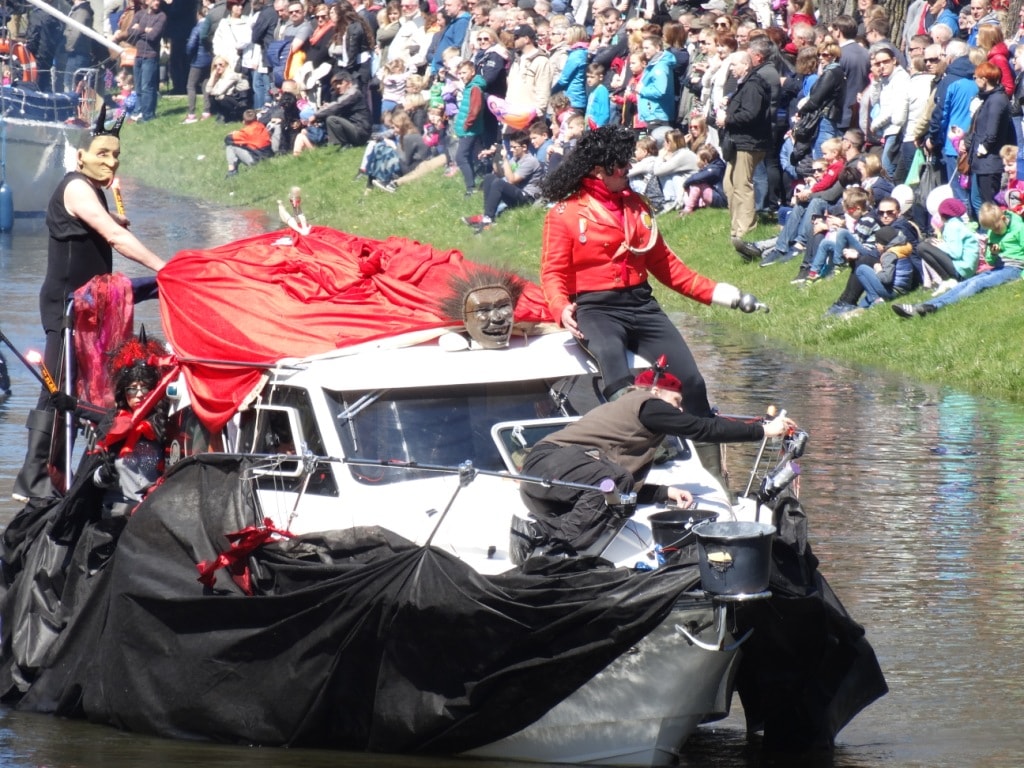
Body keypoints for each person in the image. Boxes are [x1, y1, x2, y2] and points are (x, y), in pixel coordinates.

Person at [538, 125, 765, 465]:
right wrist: (560, 306)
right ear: (600, 170)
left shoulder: (636, 206)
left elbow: (671, 269)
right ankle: (634, 456)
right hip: (596, 309)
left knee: (691, 381)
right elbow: (553, 273)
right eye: (621, 165)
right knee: (615, 372)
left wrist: (728, 296)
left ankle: (712, 470)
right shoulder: (565, 214)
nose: (627, 169)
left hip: (641, 304)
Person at [12, 109, 166, 503]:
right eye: (102, 154)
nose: (111, 162)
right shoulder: (78, 186)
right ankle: (34, 482)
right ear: (80, 157)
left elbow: (100, 225)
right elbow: (112, 236)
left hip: (94, 305)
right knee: (56, 388)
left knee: (84, 390)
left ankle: (71, 475)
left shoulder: (92, 191)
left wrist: (110, 215)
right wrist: (165, 266)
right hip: (67, 307)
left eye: (116, 156)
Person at [512, 367, 796, 562]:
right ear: (657, 391)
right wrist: (763, 431)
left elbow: (610, 488)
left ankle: (549, 542)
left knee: (618, 493)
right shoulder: (646, 403)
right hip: (548, 464)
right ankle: (542, 537)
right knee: (616, 482)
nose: (679, 409)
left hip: (554, 486)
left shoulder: (638, 422)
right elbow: (701, 429)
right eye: (677, 400)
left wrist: (663, 493)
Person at [893, 202, 1024, 317]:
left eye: (996, 228)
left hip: (1014, 268)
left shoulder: (1019, 228)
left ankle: (934, 306)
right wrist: (994, 254)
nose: (994, 231)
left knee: (976, 284)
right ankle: (921, 306)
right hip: (999, 267)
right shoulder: (992, 233)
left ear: (1003, 218)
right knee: (965, 283)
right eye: (990, 229)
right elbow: (990, 261)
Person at [92, 336, 171, 517]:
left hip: (153, 513)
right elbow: (93, 478)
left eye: (144, 388)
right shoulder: (112, 427)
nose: (139, 394)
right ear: (124, 392)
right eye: (132, 389)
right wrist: (104, 474)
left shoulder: (165, 425)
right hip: (117, 513)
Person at [720, 51, 772, 241]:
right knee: (729, 184)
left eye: (734, 65)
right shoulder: (743, 86)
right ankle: (735, 227)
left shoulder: (753, 86)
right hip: (737, 143)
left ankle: (747, 229)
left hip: (749, 143)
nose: (731, 69)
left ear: (746, 65)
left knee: (742, 185)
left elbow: (751, 114)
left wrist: (727, 118)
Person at [462, 130, 544, 232]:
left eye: (514, 147)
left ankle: (488, 220)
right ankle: (487, 215)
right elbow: (500, 174)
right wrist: (495, 155)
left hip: (527, 197)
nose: (511, 150)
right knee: (489, 178)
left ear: (524, 147)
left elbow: (511, 180)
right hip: (516, 191)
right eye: (511, 147)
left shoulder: (530, 161)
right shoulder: (515, 158)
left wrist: (505, 159)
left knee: (499, 184)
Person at [113, 0, 166, 123]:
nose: (157, 2)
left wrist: (140, 29)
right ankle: (139, 112)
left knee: (147, 86)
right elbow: (131, 32)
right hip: (138, 55)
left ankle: (148, 116)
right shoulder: (139, 14)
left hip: (151, 56)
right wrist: (145, 30)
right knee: (138, 87)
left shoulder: (161, 16)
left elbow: (153, 36)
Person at [917, 197, 980, 294]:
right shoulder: (957, 223)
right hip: (967, 268)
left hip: (963, 269)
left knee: (922, 247)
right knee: (928, 244)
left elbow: (955, 253)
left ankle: (950, 279)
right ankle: (948, 280)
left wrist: (940, 245)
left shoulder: (952, 226)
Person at [315, 70, 372, 147]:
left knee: (332, 119)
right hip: (352, 129)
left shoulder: (354, 93)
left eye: (340, 83)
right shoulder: (341, 96)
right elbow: (335, 106)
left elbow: (338, 106)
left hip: (360, 131)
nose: (337, 87)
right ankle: (336, 144)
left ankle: (340, 144)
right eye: (335, 85)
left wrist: (315, 116)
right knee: (329, 116)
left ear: (349, 83)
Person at [224, 108, 273, 175]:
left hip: (256, 159)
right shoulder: (261, 126)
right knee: (242, 144)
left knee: (231, 146)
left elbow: (227, 139)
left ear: (244, 121)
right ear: (256, 118)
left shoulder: (246, 132)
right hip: (268, 155)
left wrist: (234, 133)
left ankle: (232, 171)